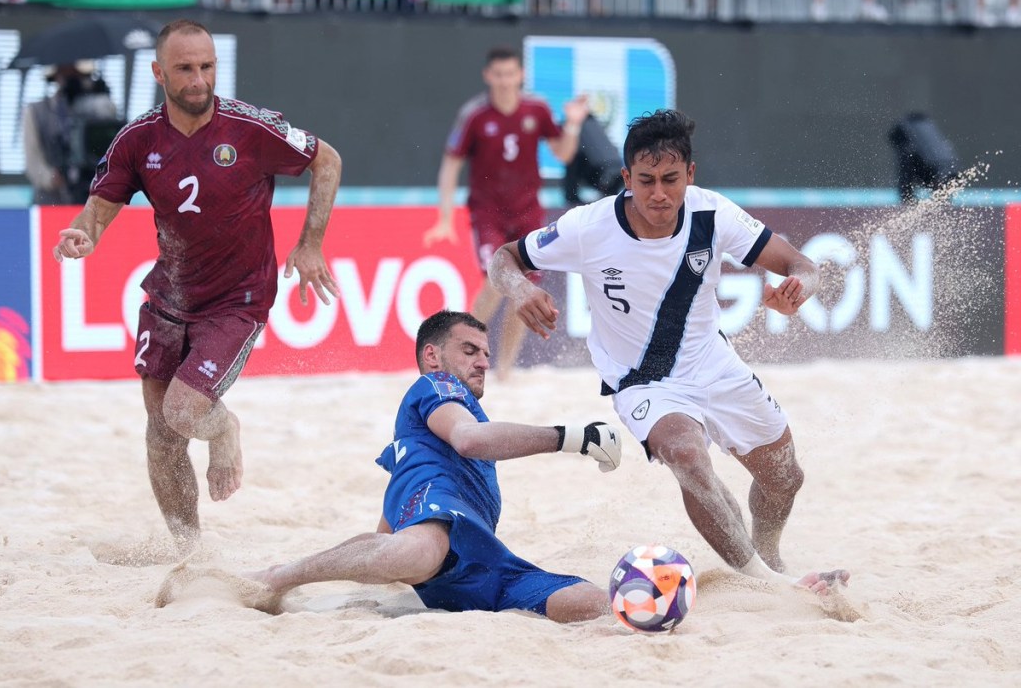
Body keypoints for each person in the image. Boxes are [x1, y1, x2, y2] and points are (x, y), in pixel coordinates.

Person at [489, 109, 849, 596]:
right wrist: (518, 289)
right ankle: (771, 585)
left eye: (671, 180)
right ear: (626, 179)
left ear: (691, 176)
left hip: (712, 362)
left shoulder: (713, 213)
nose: (659, 193)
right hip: (642, 380)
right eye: (646, 180)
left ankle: (767, 552)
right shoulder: (588, 227)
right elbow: (503, 257)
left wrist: (799, 286)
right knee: (686, 455)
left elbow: (801, 264)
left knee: (785, 479)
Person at [52, 19, 343, 550]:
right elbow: (99, 210)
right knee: (161, 434)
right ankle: (189, 550)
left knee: (185, 411)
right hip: (169, 296)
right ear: (159, 72)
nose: (198, 79)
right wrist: (83, 235)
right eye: (185, 68)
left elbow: (328, 160)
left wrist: (311, 242)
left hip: (238, 300)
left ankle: (226, 429)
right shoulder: (137, 138)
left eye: (206, 67)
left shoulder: (250, 128)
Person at [227, 310, 622, 622]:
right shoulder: (436, 387)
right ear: (433, 356)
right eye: (470, 351)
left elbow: (387, 522)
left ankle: (644, 602)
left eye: (486, 353)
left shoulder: (430, 435)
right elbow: (470, 441)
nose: (484, 361)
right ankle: (276, 577)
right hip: (439, 536)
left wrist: (380, 554)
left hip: (482, 559)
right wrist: (574, 437)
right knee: (412, 553)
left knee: (595, 605)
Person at [422, 46, 589, 380]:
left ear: (520, 75)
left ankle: (506, 371)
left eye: (510, 73)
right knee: (496, 283)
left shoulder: (536, 109)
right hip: (488, 214)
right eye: (498, 74)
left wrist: (571, 124)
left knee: (522, 292)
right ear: (488, 76)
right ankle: (457, 360)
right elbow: (450, 164)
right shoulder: (475, 115)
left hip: (528, 212)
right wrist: (443, 217)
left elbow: (563, 152)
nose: (504, 81)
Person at [23, 62, 120, 205]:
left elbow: (112, 143)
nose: (70, 79)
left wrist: (97, 96)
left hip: (96, 200)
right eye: (64, 73)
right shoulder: (37, 111)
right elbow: (33, 163)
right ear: (55, 76)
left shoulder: (98, 108)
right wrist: (52, 178)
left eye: (76, 74)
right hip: (51, 203)